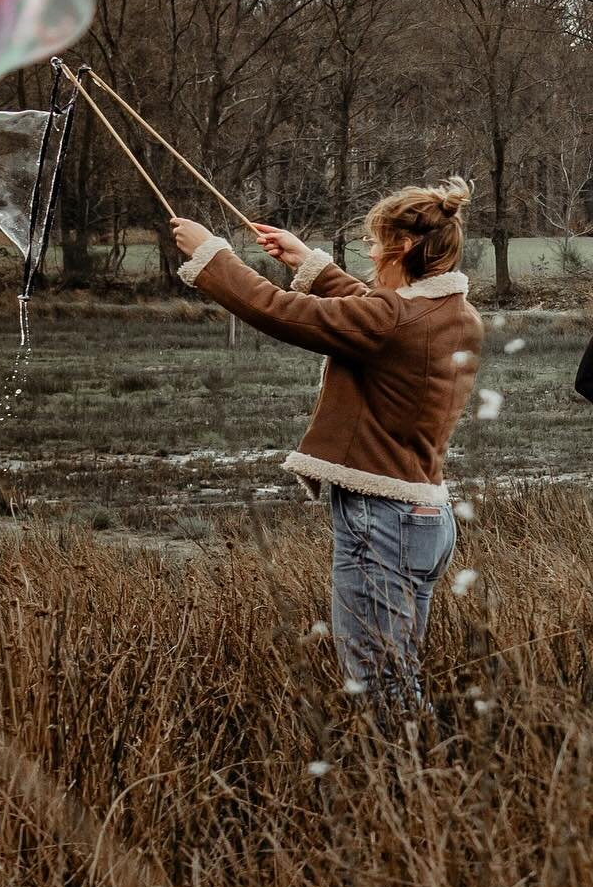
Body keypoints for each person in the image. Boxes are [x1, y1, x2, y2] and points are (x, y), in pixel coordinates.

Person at [170, 179, 482, 717]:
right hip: (426, 520)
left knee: (380, 688)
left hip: (381, 522)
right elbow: (379, 313)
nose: (369, 253)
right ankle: (424, 778)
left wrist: (211, 256)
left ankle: (398, 784)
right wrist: (307, 261)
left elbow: (280, 310)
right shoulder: (455, 314)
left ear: (401, 248)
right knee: (398, 676)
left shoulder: (391, 322)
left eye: (373, 242)